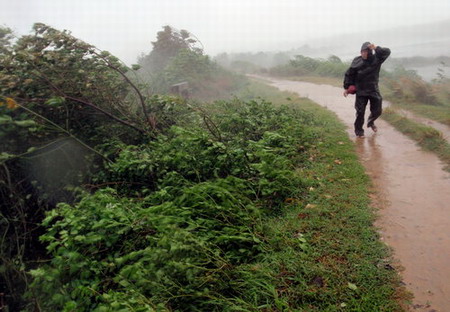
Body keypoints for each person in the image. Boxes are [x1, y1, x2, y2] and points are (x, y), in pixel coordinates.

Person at [343, 42, 391, 137]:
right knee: (360, 112)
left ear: (370, 52)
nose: (363, 54)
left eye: (365, 51)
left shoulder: (377, 59)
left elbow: (387, 52)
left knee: (377, 110)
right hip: (361, 90)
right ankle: (359, 132)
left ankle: (371, 121)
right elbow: (349, 74)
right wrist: (347, 88)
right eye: (362, 51)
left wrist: (376, 47)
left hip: (373, 89)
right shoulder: (357, 61)